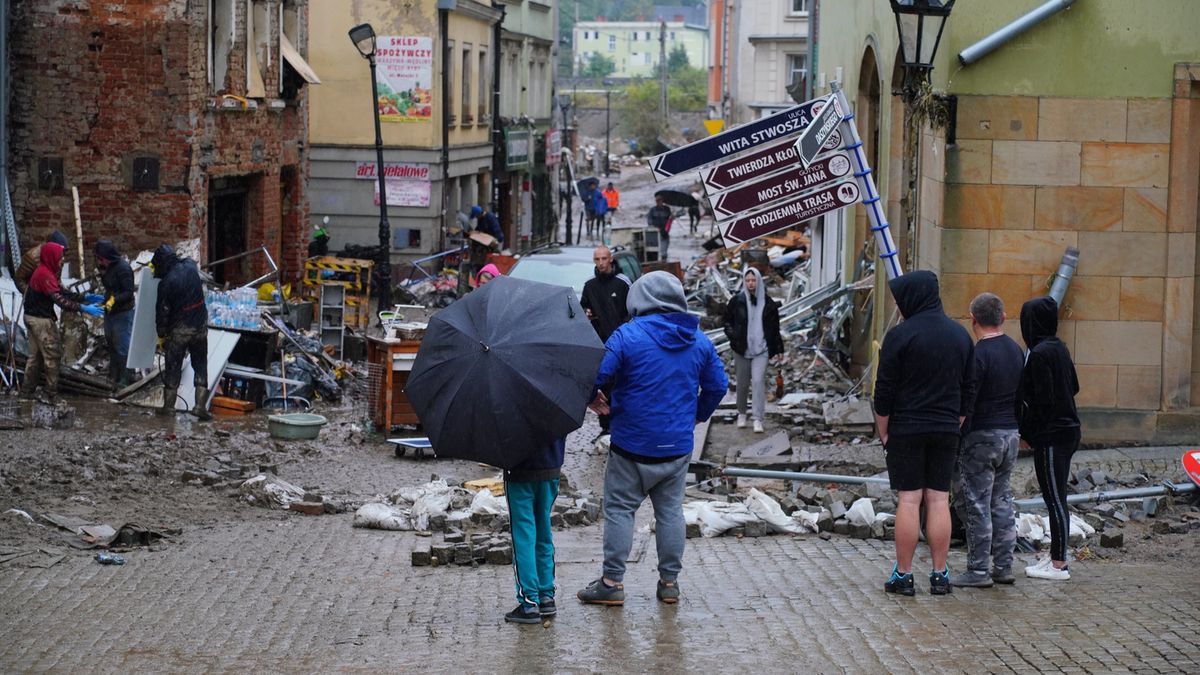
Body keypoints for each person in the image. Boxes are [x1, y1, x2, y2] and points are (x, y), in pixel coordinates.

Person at [577, 272, 727, 606]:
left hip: (631, 444)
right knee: (671, 512)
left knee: (619, 511)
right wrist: (696, 415)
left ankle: (612, 583)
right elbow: (718, 385)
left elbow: (595, 373)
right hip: (676, 447)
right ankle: (669, 583)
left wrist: (592, 398)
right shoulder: (699, 341)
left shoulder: (626, 336)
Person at [872, 270, 973, 597]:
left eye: (902, 301)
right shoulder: (959, 336)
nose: (900, 308)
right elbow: (969, 389)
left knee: (910, 499)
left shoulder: (900, 337)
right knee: (939, 499)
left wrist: (884, 432)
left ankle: (903, 575)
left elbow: (883, 391)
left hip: (907, 429)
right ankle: (940, 574)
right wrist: (954, 422)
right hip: (946, 428)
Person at [950, 293, 1024, 589]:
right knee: (1002, 500)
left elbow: (967, 400)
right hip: (1011, 434)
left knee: (976, 503)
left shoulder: (977, 354)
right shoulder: (1016, 351)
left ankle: (978, 569)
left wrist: (956, 430)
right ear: (1003, 317)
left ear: (973, 320)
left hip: (982, 436)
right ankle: (1004, 566)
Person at [1017, 296, 1081, 582]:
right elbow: (1075, 386)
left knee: (1055, 499)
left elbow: (1040, 402)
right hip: (1068, 430)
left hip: (1052, 435)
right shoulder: (1060, 348)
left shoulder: (1040, 354)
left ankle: (1058, 563)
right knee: (1058, 497)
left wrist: (1027, 433)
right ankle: (1058, 556)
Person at [19, 242, 103, 403]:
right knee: (52, 355)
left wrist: (83, 297)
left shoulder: (45, 271)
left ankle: (26, 392)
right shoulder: (44, 275)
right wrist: (83, 308)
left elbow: (61, 291)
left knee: (35, 357)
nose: (62, 260)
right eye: (60, 257)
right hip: (41, 321)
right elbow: (59, 300)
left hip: (32, 317)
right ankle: (50, 394)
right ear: (51, 257)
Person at [502, 436, 566, 624]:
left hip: (519, 469)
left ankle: (529, 602)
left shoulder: (505, 405)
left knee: (523, 536)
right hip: (551, 466)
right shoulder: (558, 405)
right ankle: (546, 596)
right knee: (543, 531)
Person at [152, 245, 210, 420]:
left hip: (180, 330)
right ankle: (200, 406)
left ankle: (169, 408)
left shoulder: (166, 282)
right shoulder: (191, 266)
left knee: (173, 367)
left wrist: (161, 335)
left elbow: (163, 312)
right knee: (200, 365)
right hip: (200, 326)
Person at [723, 267, 784, 434]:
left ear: (759, 281)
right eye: (748, 280)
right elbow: (726, 322)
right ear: (744, 281)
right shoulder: (737, 301)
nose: (750, 283)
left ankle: (758, 418)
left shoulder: (769, 303)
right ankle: (742, 413)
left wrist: (778, 348)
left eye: (753, 280)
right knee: (742, 384)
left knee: (758, 382)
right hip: (741, 349)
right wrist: (734, 336)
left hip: (761, 349)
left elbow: (775, 328)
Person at [580, 245, 631, 436]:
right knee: (602, 383)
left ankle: (620, 424)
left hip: (622, 342)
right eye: (597, 259)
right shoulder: (590, 285)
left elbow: (631, 311)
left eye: (603, 259)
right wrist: (587, 313)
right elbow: (582, 308)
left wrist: (624, 334)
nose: (600, 263)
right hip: (600, 343)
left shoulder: (622, 283)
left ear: (610, 259)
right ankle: (606, 426)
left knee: (621, 383)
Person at [93, 240, 137, 389]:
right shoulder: (106, 267)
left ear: (108, 257)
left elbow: (128, 292)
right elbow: (109, 285)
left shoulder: (123, 269)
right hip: (110, 311)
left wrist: (115, 299)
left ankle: (125, 376)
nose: (99, 261)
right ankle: (114, 373)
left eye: (101, 258)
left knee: (122, 344)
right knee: (111, 342)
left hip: (123, 311)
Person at [646, 195, 673, 261]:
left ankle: (664, 259)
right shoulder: (652, 210)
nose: (659, 202)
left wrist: (672, 217)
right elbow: (649, 219)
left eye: (660, 201)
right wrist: (652, 226)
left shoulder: (667, 209)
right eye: (657, 201)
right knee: (655, 248)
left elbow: (670, 218)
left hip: (665, 231)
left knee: (664, 247)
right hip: (656, 231)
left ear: (662, 201)